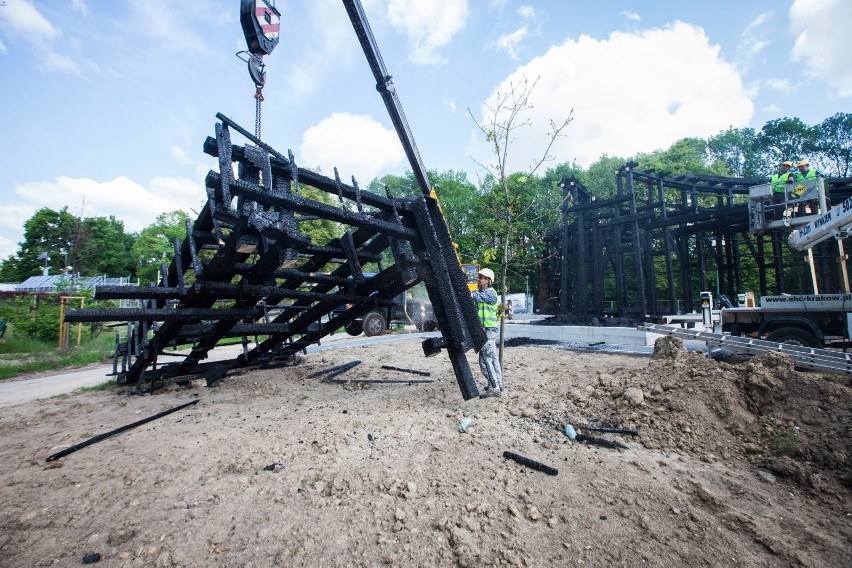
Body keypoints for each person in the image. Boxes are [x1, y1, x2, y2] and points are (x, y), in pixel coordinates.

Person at [472, 267, 503, 397]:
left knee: (485, 360)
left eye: (481, 278)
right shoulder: (479, 292)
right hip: (487, 330)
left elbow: (476, 297)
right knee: (493, 358)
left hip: (488, 331)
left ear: (488, 280)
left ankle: (494, 387)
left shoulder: (490, 293)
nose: (478, 279)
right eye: (479, 277)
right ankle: (498, 384)